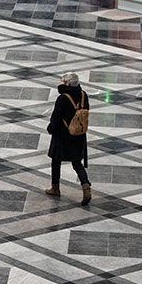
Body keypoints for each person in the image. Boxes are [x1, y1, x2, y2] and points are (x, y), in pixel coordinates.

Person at [44, 72, 92, 205]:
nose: (61, 83)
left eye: (63, 81)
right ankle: (85, 185)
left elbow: (56, 118)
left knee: (56, 160)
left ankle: (55, 188)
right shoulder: (83, 95)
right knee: (77, 163)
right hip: (79, 135)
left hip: (63, 135)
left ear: (67, 84)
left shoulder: (63, 98)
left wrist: (51, 129)